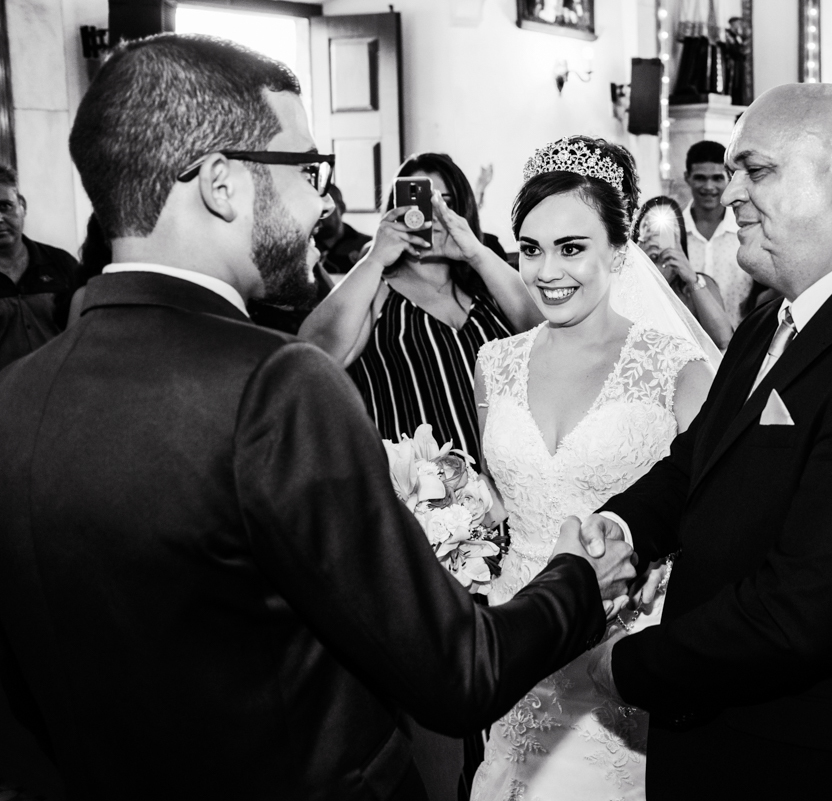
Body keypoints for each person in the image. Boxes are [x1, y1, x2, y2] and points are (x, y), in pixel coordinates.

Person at [0, 34, 636, 799]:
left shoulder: (16, 396)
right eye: (307, 170)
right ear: (222, 184)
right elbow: (457, 668)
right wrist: (579, 582)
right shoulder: (273, 386)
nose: (326, 204)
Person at [579, 83, 832, 799]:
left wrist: (625, 665)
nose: (731, 191)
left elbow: (801, 613)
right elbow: (697, 461)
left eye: (756, 169)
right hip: (726, 742)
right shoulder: (773, 318)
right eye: (732, 171)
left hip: (821, 765)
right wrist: (621, 527)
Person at [469, 136, 717, 801]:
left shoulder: (677, 369)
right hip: (516, 642)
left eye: (572, 247)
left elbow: (710, 520)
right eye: (530, 247)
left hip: (622, 655)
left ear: (618, 248)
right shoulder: (494, 363)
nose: (548, 270)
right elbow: (500, 503)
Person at [299, 152, 541, 462]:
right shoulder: (376, 292)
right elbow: (314, 356)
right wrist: (375, 257)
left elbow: (547, 332)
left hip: (513, 483)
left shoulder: (488, 286)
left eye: (447, 203)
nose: (434, 216)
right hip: (425, 496)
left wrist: (475, 253)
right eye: (422, 204)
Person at [0, 165, 85, 371]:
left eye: (5, 206)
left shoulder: (61, 264)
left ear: (23, 206)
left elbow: (86, 331)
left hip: (58, 391)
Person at [634, 196, 733, 350]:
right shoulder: (626, 281)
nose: (659, 234)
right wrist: (638, 263)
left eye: (667, 228)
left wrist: (692, 279)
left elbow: (723, 339)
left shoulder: (698, 282)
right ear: (640, 235)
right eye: (651, 228)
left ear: (679, 235)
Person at [681, 140, 753, 325]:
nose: (708, 186)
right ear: (687, 177)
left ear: (728, 178)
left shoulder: (746, 229)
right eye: (700, 178)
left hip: (741, 342)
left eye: (717, 178)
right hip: (687, 345)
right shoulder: (674, 233)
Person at [314, 182, 372, 275]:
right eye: (313, 208)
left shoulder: (367, 245)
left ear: (341, 208)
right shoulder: (302, 247)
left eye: (324, 208)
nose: (318, 214)